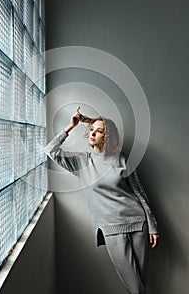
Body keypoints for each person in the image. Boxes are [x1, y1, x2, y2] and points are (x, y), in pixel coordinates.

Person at [44, 106, 159, 294]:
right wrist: (70, 126)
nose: (93, 134)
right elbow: (51, 150)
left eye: (99, 131)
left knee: (140, 284)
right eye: (92, 130)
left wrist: (152, 224)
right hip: (110, 227)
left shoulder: (121, 159)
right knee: (136, 288)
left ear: (107, 137)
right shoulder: (82, 162)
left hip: (138, 222)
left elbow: (139, 192)